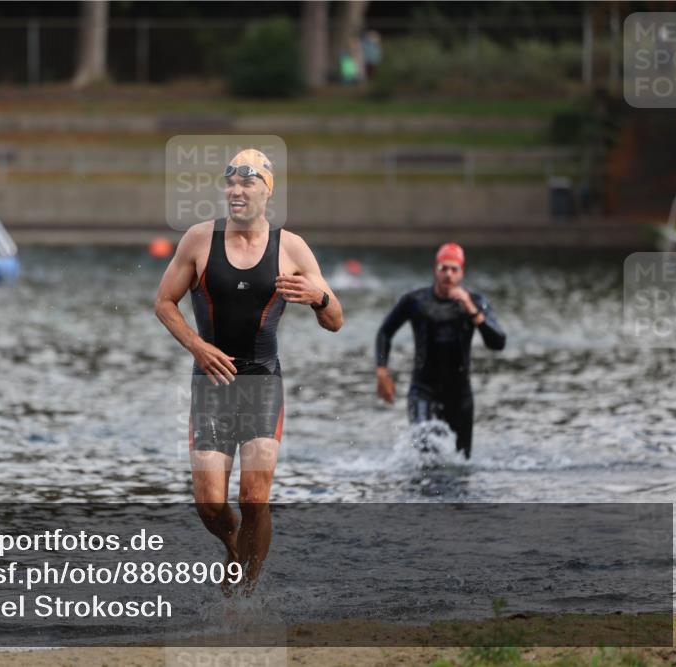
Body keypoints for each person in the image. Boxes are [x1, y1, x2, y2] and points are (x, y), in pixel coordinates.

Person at [154, 149, 342, 594]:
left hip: (262, 384)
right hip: (211, 385)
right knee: (210, 505)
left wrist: (318, 297)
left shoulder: (291, 247)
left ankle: (243, 596)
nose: (236, 192)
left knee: (254, 496)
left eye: (247, 184)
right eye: (231, 184)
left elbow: (335, 321)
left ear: (266, 192)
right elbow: (164, 303)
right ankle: (236, 547)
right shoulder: (199, 240)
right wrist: (198, 347)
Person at [374, 243, 505, 459]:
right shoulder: (415, 301)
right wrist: (382, 371)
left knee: (461, 462)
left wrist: (472, 310)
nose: (448, 274)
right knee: (426, 450)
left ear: (462, 273)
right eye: (444, 268)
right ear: (435, 269)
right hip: (423, 390)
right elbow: (385, 332)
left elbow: (498, 342)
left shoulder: (475, 302)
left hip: (460, 394)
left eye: (454, 269)